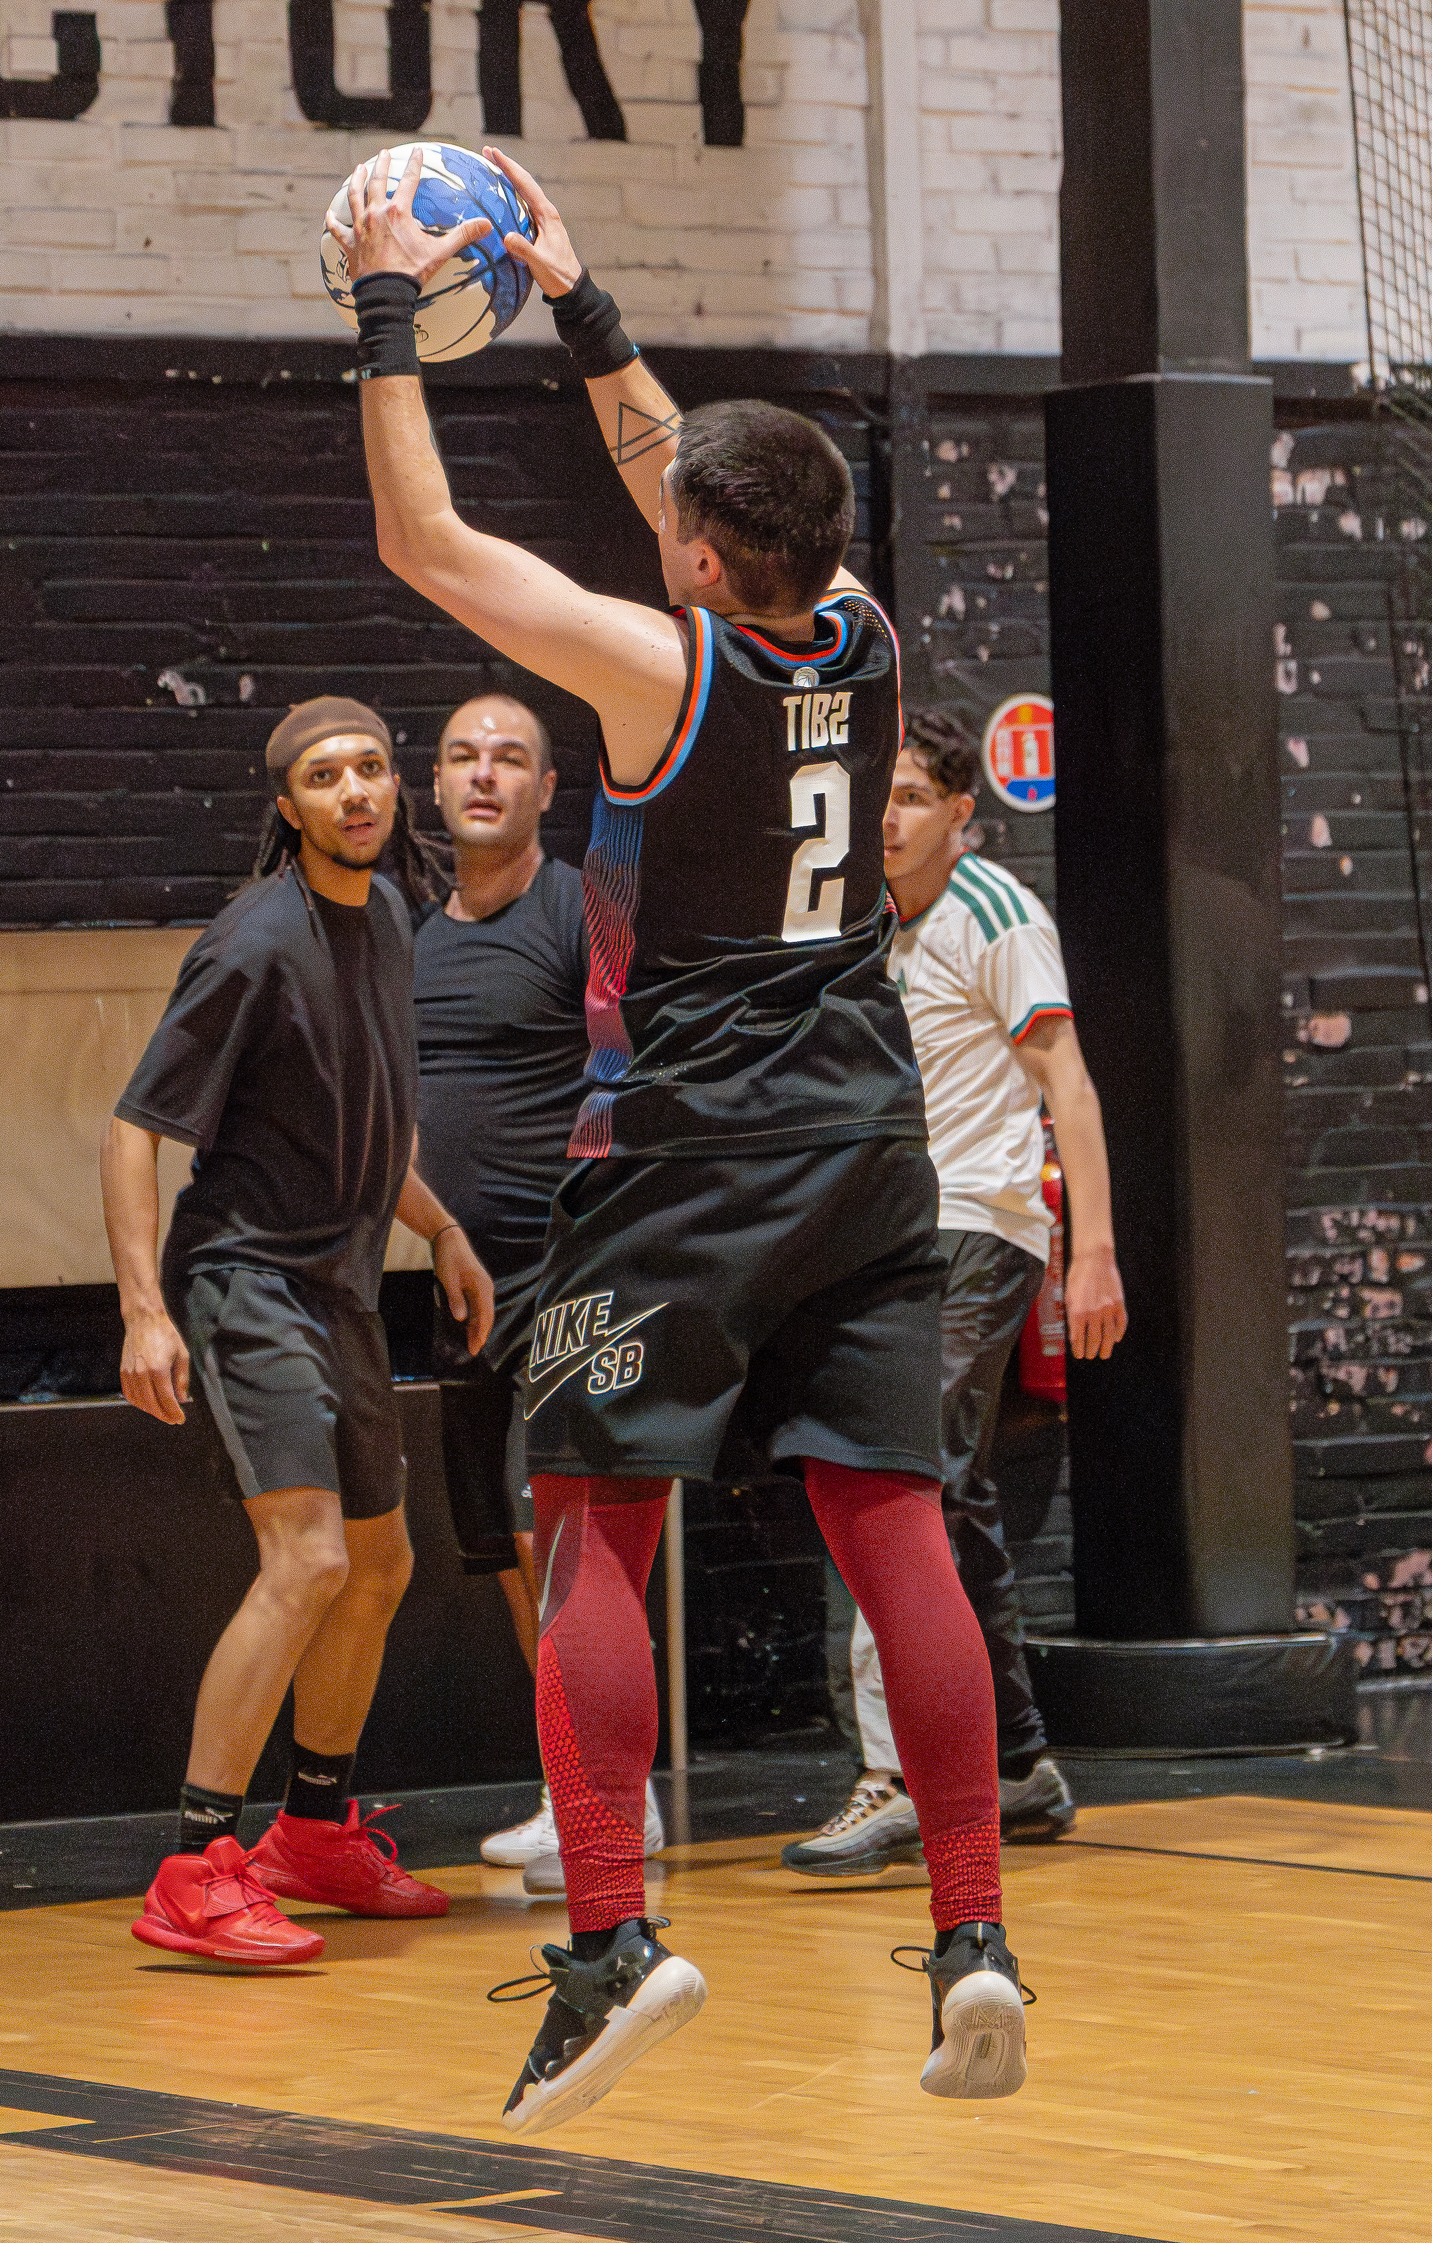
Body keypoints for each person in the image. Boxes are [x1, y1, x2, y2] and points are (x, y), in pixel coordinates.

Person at [330, 146, 1031, 2132]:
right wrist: (584, 304)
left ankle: (613, 1944)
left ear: (703, 563)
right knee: (895, 1531)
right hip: (871, 1156)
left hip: (679, 1168)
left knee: (586, 1529)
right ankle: (974, 1934)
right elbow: (694, 489)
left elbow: (428, 543)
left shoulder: (662, 671)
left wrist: (394, 304)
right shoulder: (868, 635)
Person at [101, 698, 493, 1966]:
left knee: (379, 1568)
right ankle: (193, 1864)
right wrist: (144, 1312)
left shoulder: (386, 916)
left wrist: (436, 1229)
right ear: (289, 806)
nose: (357, 792)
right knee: (309, 1561)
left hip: (343, 1287)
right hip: (243, 1281)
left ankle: (312, 1835)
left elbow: (367, 1121)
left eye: (373, 768)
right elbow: (132, 1129)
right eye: (326, 777)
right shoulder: (252, 942)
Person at [782, 709, 1127, 1877]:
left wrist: (1094, 1254)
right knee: (953, 1502)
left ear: (961, 815)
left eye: (916, 796)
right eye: (878, 791)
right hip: (891, 1235)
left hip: (977, 1224)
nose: (889, 816)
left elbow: (1067, 1084)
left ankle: (894, 1773)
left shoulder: (996, 917)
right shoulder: (861, 922)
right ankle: (1019, 1761)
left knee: (894, 1481)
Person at [411, 689, 665, 1884]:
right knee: (502, 1549)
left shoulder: (583, 910)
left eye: (509, 758)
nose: (483, 775)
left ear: (548, 791)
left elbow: (645, 1068)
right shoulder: (413, 935)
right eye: (463, 756)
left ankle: (613, 1799)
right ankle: (582, 1785)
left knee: (556, 1534)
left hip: (572, 1277)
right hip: (456, 1290)